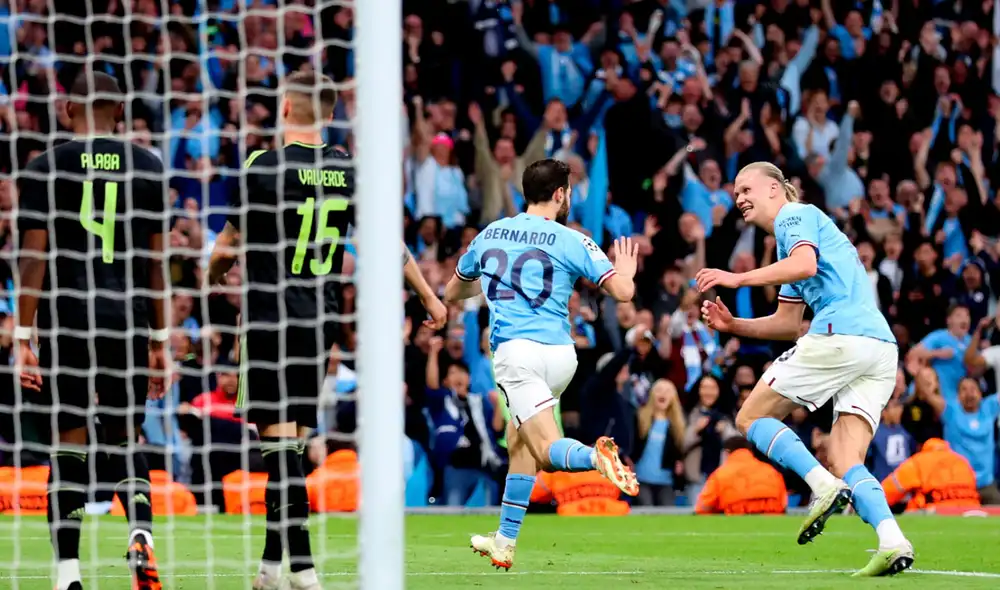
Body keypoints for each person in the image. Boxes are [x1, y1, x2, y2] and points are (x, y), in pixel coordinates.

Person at [206, 71, 447, 590]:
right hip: (320, 323)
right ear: (332, 115)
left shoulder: (261, 165)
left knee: (279, 450)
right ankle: (271, 569)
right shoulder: (347, 168)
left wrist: (212, 271)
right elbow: (388, 243)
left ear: (286, 108)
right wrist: (428, 295)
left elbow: (225, 245)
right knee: (290, 447)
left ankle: (304, 568)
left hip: (270, 320)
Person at [695, 155, 914, 577]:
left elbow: (804, 265)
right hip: (878, 347)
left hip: (841, 334)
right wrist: (733, 324)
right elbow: (788, 324)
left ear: (774, 188)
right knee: (845, 454)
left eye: (746, 189)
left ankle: (821, 487)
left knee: (750, 415)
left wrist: (736, 278)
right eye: (735, 192)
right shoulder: (796, 241)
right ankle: (892, 540)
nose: (739, 197)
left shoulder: (793, 216)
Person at [442, 158, 638, 570]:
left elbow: (453, 289)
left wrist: (493, 279)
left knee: (546, 451)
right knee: (519, 442)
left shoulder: (491, 233)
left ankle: (595, 459)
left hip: (517, 355)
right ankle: (505, 541)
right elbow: (622, 291)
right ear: (561, 194)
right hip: (562, 356)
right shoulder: (574, 240)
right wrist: (627, 270)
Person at [15, 71, 168, 590]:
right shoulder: (148, 167)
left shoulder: (43, 167)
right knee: (127, 437)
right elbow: (155, 264)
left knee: (69, 446)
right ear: (120, 112)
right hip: (127, 321)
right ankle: (141, 533)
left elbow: (33, 257)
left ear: (66, 111)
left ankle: (67, 573)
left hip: (67, 320)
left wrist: (21, 338)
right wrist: (162, 342)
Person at [695, 437, 788, 515]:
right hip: (771, 525)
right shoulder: (771, 472)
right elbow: (783, 504)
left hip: (735, 524)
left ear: (726, 453)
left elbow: (703, 508)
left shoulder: (720, 474)